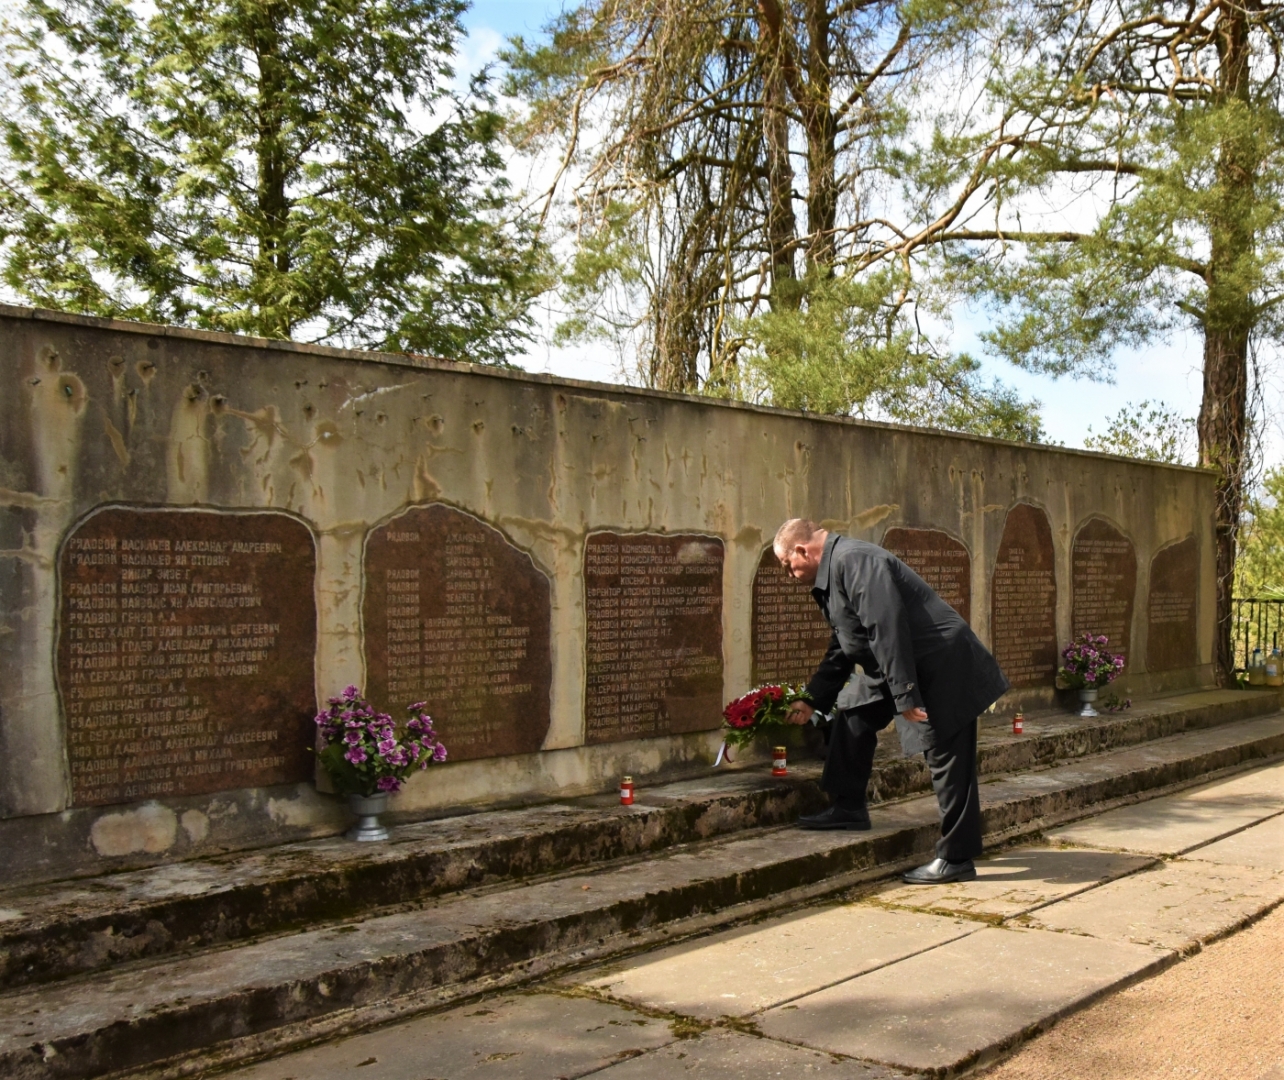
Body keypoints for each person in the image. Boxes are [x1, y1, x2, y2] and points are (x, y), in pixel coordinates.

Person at [774, 518, 1009, 884]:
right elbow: (846, 641)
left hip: (937, 664)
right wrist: (814, 699)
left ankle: (957, 857)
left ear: (802, 550)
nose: (789, 575)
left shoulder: (854, 560)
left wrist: (905, 694)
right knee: (854, 712)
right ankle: (848, 807)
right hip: (895, 663)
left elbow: (887, 626)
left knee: (945, 753)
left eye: (787, 565)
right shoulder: (836, 569)